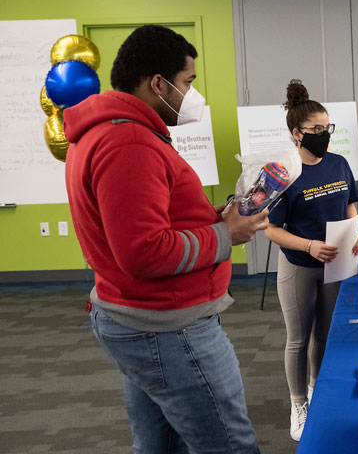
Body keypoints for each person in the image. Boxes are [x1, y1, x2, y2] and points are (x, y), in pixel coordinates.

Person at [64, 25, 266, 453]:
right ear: (158, 83)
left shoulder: (112, 132)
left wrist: (212, 218)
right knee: (228, 444)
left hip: (142, 316)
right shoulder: (129, 142)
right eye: (188, 81)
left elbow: (151, 221)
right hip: (166, 325)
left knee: (159, 445)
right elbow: (143, 251)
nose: (193, 93)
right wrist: (226, 234)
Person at [264, 80, 358, 441]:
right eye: (316, 130)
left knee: (324, 334)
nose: (324, 135)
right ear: (297, 133)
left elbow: (350, 204)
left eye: (328, 128)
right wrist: (308, 246)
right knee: (298, 338)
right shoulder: (283, 172)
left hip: (336, 265)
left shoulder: (338, 164)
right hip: (300, 267)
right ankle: (298, 402)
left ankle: (316, 387)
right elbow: (271, 230)